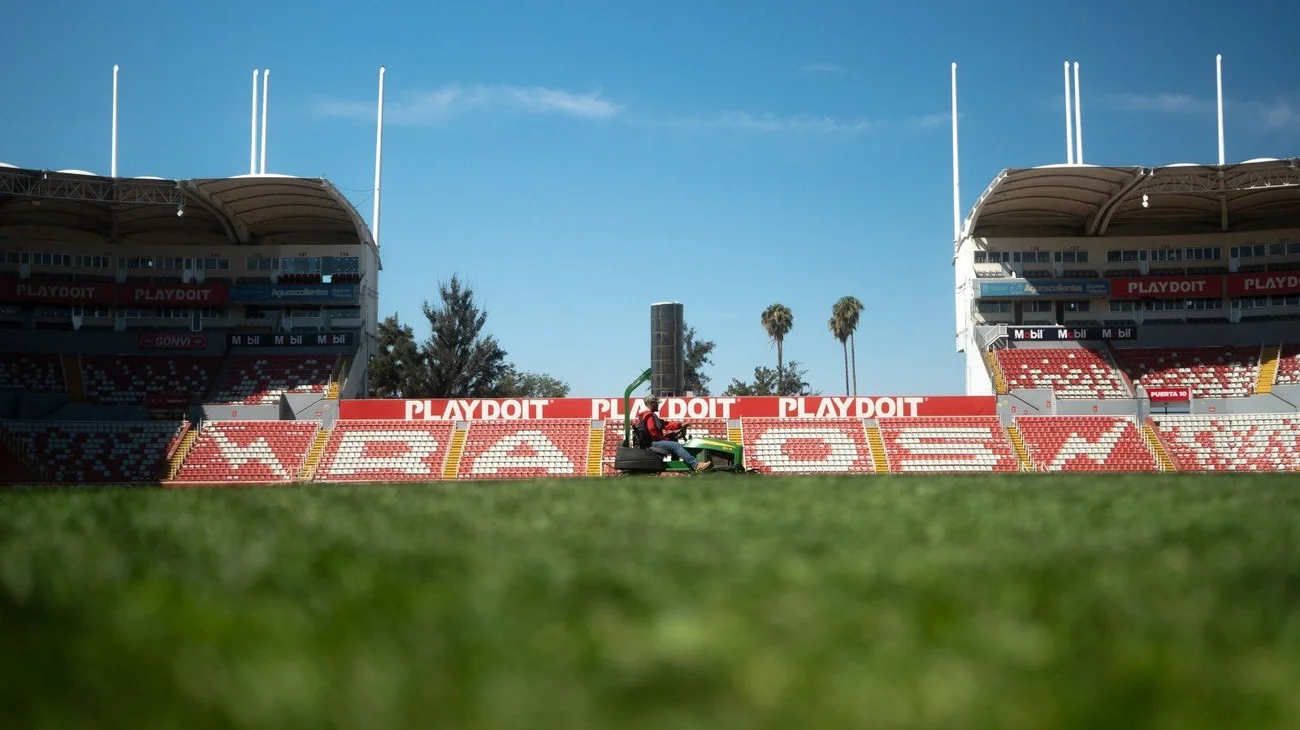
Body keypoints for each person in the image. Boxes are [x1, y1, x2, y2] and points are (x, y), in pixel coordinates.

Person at [639, 395, 712, 472]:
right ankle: (696, 465)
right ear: (652, 403)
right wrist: (665, 439)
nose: (658, 405)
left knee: (674, 436)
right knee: (676, 445)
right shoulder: (649, 416)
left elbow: (665, 425)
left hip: (654, 440)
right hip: (652, 443)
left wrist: (680, 425)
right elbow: (653, 433)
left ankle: (677, 463)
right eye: (657, 403)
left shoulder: (651, 415)